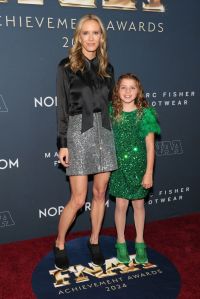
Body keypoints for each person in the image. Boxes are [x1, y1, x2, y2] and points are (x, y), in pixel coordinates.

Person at [54, 14, 117, 270]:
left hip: (105, 131)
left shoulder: (107, 68)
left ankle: (94, 241)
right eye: (86, 33)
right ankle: (59, 242)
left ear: (102, 37)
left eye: (96, 33)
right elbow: (62, 107)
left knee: (100, 193)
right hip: (78, 132)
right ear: (78, 36)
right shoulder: (66, 66)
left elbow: (112, 106)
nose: (91, 38)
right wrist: (63, 143)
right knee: (78, 199)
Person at [109, 73, 160, 264]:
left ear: (138, 91)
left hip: (139, 167)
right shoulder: (111, 111)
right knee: (121, 205)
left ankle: (140, 242)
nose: (128, 91)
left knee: (138, 205)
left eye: (132, 88)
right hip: (118, 167)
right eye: (123, 87)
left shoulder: (145, 114)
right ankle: (120, 242)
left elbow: (150, 147)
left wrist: (148, 172)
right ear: (117, 90)